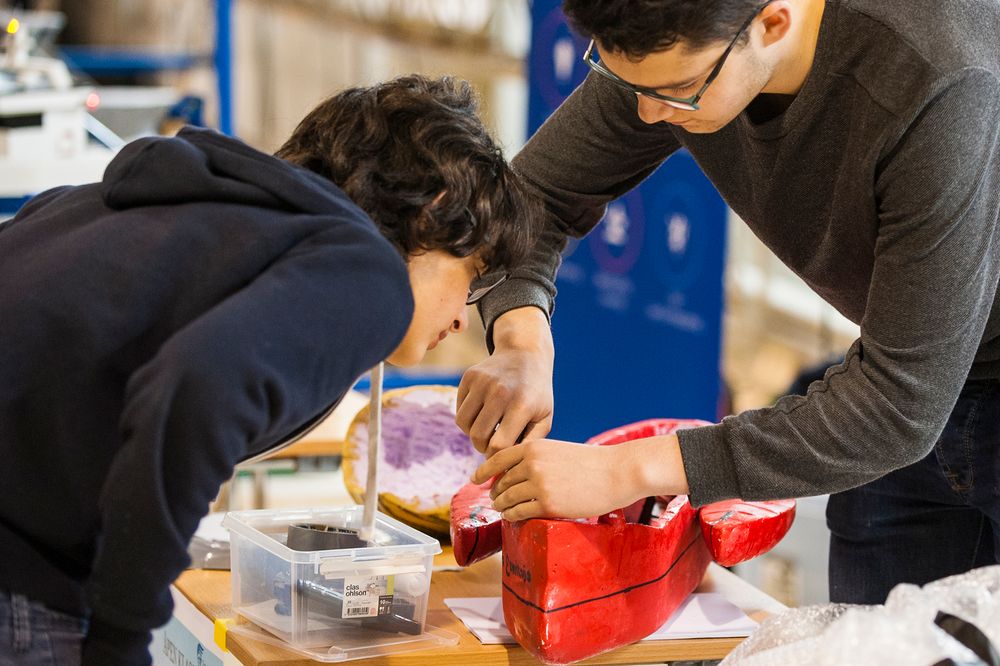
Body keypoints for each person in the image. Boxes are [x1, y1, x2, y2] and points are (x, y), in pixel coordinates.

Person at [462, 0, 1000, 606]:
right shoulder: (673, 41)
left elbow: (897, 408)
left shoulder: (936, 83)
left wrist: (624, 472)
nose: (648, 112)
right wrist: (521, 337)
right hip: (913, 384)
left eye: (680, 91)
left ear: (774, 22)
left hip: (912, 389)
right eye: (623, 81)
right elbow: (532, 199)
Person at [0, 74, 540, 665]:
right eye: (473, 273)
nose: (463, 319)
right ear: (434, 212)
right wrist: (120, 638)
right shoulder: (369, 273)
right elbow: (197, 393)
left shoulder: (171, 208)